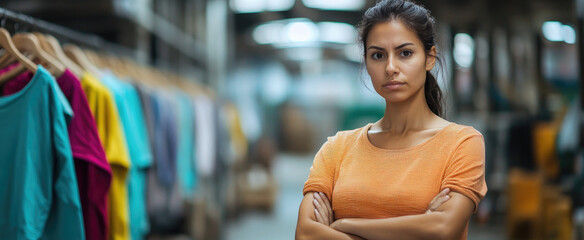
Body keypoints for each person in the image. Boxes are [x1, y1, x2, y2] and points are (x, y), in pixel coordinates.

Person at [295, 0, 487, 239]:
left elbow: (443, 229)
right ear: (366, 61)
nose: (390, 67)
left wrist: (346, 224)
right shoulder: (337, 149)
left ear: (430, 58)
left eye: (405, 53)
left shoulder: (462, 143)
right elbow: (305, 233)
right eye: (378, 55)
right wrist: (417, 227)